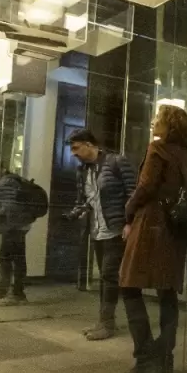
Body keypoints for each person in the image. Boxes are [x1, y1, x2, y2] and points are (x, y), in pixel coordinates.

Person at [118, 105, 187, 373]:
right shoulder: (186, 155)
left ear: (169, 125)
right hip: (174, 230)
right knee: (167, 292)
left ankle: (145, 356)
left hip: (150, 225)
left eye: (158, 118)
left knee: (129, 286)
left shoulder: (157, 149)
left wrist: (128, 210)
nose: (153, 122)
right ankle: (165, 357)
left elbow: (146, 186)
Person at [69, 129, 137, 341]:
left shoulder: (116, 162)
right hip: (97, 230)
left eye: (76, 148)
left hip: (115, 229)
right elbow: (85, 200)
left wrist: (130, 222)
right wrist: (76, 213)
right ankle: (104, 321)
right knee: (106, 276)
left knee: (109, 275)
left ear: (89, 145)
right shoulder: (83, 170)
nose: (73, 153)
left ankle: (107, 323)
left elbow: (133, 193)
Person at [0, 157, 32, 307]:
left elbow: (9, 206)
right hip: (15, 225)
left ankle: (15, 294)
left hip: (13, 225)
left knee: (9, 258)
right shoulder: (6, 180)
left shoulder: (7, 182)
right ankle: (5, 291)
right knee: (11, 258)